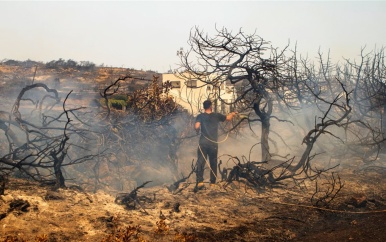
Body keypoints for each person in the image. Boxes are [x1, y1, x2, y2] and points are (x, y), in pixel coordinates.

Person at [194, 100, 237, 190]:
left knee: (201, 162)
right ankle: (212, 183)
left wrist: (198, 131)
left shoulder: (200, 116)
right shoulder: (216, 116)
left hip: (203, 143)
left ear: (204, 107)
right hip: (213, 143)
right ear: (210, 106)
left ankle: (200, 182)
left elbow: (197, 126)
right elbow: (228, 118)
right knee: (213, 162)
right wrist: (233, 114)